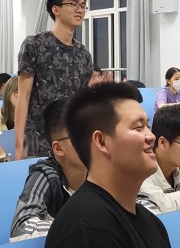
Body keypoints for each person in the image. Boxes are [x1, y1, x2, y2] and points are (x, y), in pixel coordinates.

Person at [44, 83, 170, 248]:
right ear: (102, 142)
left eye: (148, 126)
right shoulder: (86, 226)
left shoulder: (151, 222)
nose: (151, 136)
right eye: (138, 128)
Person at [15, 0, 93, 159]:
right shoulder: (34, 44)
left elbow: (80, 103)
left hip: (70, 135)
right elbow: (23, 97)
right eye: (73, 4)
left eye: (83, 5)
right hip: (38, 136)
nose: (80, 10)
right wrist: (20, 145)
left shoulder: (83, 54)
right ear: (55, 9)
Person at [10, 98, 87, 241]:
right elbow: (21, 228)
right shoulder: (45, 176)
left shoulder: (102, 172)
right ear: (58, 148)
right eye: (81, 136)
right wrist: (81, 228)